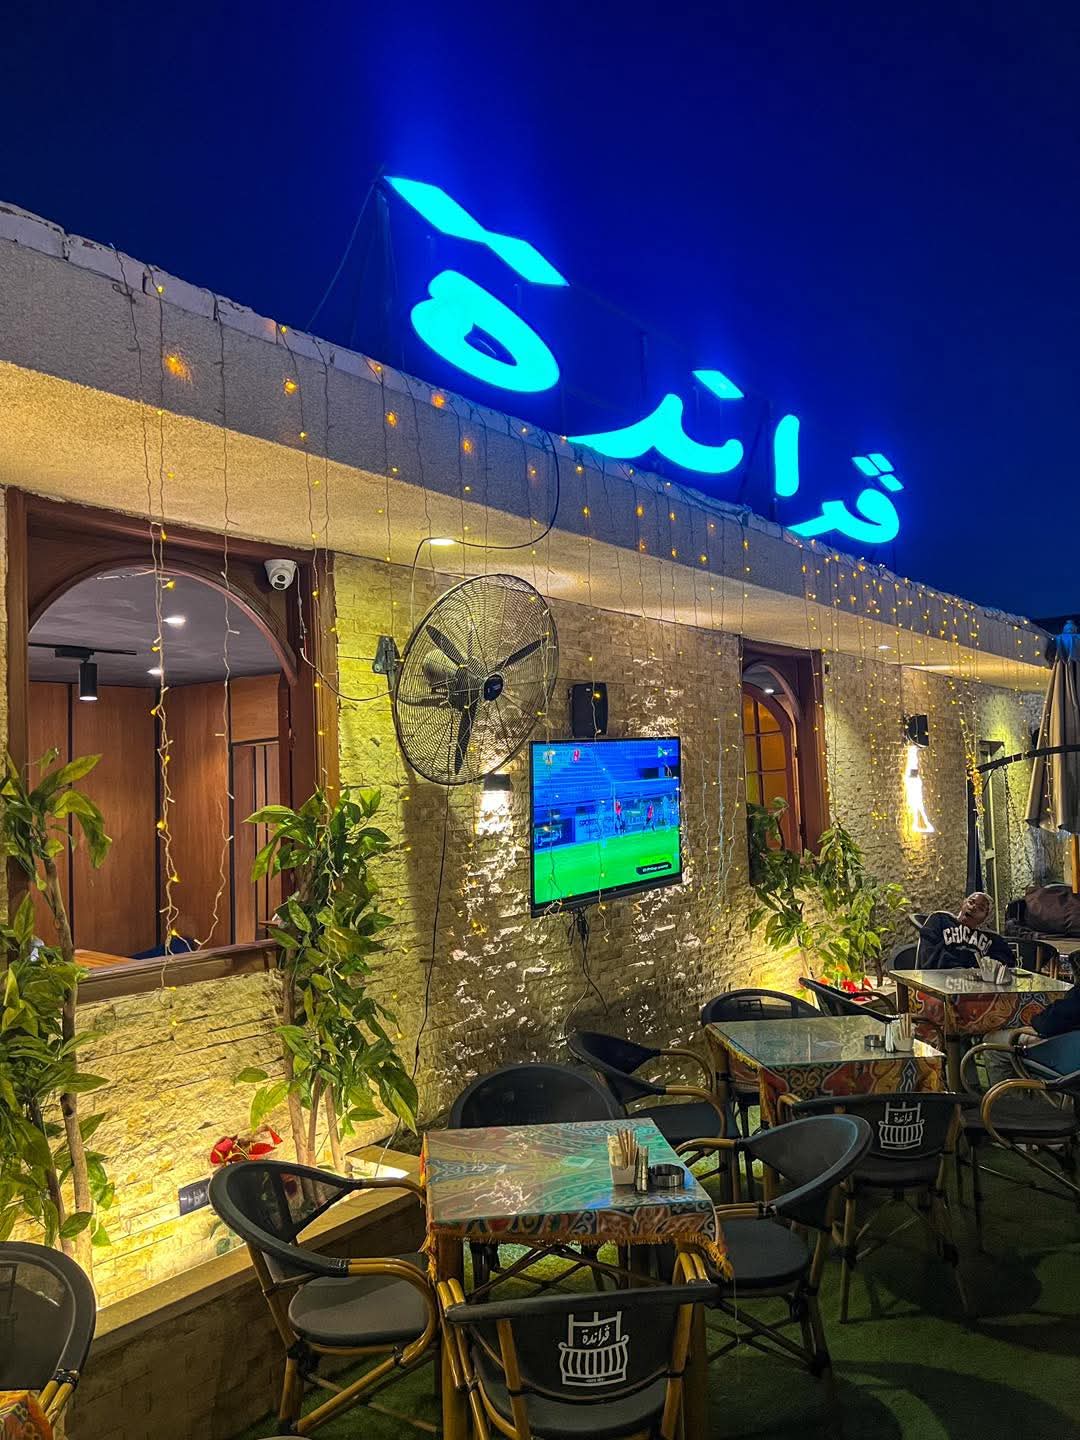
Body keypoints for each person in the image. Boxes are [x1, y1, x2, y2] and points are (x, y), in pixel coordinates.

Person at [915, 892, 1015, 970]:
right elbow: (928, 957)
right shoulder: (940, 919)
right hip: (941, 981)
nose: (973, 907)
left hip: (977, 985)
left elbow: (1008, 964)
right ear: (963, 903)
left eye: (981, 908)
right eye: (971, 902)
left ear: (985, 918)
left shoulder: (991, 939)